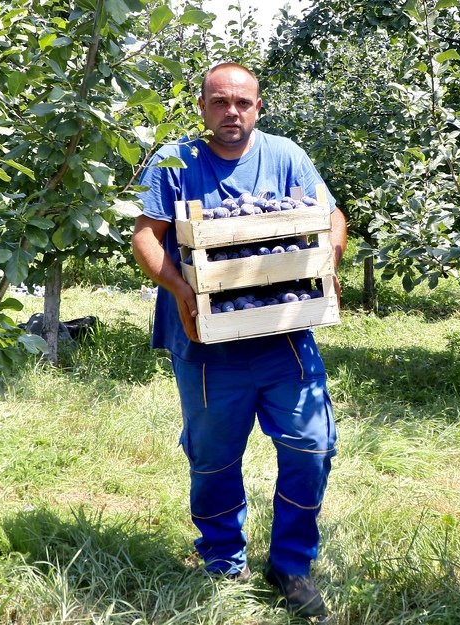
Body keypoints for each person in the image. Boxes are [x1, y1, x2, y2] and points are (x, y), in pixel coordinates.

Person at [131, 62, 347, 618]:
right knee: (213, 459)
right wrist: (180, 287)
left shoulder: (286, 156)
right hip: (206, 338)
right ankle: (224, 563)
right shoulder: (174, 161)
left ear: (258, 107)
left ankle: (291, 565)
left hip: (283, 333)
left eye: (243, 103)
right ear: (202, 106)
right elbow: (146, 238)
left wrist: (327, 258)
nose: (232, 112)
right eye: (220, 102)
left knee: (312, 446)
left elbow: (332, 216)